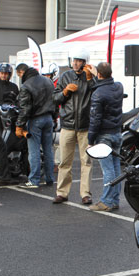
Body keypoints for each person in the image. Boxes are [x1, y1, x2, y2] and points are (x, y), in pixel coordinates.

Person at [52, 47, 96, 205]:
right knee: (64, 161)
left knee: (87, 161)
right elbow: (55, 98)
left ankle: (86, 193)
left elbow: (97, 93)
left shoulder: (90, 78)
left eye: (79, 61)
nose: (75, 63)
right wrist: (64, 92)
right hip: (68, 124)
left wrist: (91, 78)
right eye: (74, 60)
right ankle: (62, 192)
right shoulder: (65, 76)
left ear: (85, 63)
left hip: (85, 125)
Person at [87, 62, 123, 212]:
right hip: (116, 132)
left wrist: (90, 140)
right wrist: (97, 75)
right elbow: (107, 84)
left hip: (104, 136)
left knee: (108, 170)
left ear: (99, 75)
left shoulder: (98, 93)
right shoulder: (119, 87)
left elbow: (95, 119)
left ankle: (106, 201)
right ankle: (114, 200)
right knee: (116, 169)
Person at [15, 63, 56, 189]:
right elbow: (55, 100)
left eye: (18, 74)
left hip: (35, 120)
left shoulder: (26, 85)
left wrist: (19, 125)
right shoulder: (48, 81)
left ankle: (34, 180)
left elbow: (25, 108)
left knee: (34, 151)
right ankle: (50, 178)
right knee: (48, 150)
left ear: (22, 72)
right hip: (49, 118)